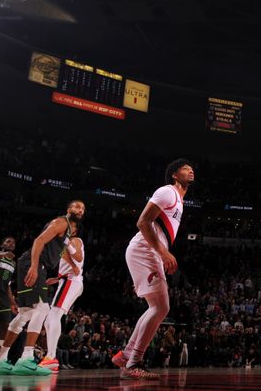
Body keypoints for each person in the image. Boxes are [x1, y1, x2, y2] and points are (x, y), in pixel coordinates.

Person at [112, 159, 194, 380]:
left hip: (150, 251)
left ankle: (126, 356)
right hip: (144, 249)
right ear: (175, 175)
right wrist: (163, 253)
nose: (191, 170)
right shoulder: (167, 191)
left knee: (157, 307)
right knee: (160, 307)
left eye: (191, 168)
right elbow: (143, 222)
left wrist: (162, 253)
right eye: (186, 168)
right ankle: (133, 362)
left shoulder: (180, 201)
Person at [0, 200, 84, 375]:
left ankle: (0, 359)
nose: (80, 210)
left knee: (25, 314)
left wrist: (56, 276)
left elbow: (76, 257)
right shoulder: (61, 222)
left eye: (82, 208)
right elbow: (39, 241)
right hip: (34, 263)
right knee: (42, 309)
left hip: (38, 266)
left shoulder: (66, 236)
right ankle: (26, 359)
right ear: (68, 210)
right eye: (76, 206)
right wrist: (34, 267)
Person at [39, 224, 85, 372]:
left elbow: (78, 257)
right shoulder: (65, 241)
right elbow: (69, 259)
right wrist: (57, 278)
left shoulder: (75, 240)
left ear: (75, 230)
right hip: (66, 280)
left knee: (53, 316)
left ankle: (51, 357)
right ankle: (50, 357)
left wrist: (71, 265)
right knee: (49, 319)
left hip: (71, 281)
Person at [0, 237, 18, 361]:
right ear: (2, 244)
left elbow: (8, 284)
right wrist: (3, 254)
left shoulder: (13, 263)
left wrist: (13, 303)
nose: (11, 244)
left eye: (13, 243)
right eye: (8, 241)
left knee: (6, 326)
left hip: (3, 296)